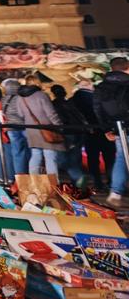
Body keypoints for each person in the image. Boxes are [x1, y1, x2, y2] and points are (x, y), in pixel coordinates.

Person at [93, 57, 129, 207]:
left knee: (121, 158)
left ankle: (115, 192)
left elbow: (97, 109)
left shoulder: (101, 87)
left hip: (117, 128)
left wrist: (107, 129)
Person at [18, 75, 65, 175]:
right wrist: (59, 125)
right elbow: (51, 113)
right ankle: (53, 184)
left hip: (31, 129)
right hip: (46, 128)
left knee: (35, 155)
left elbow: (20, 114)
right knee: (50, 156)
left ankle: (34, 181)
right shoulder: (41, 95)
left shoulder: (20, 98)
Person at [74, 79, 113, 189]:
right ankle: (111, 182)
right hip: (105, 130)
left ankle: (97, 182)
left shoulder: (75, 99)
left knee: (92, 158)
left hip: (89, 132)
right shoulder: (98, 97)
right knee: (109, 157)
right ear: (90, 85)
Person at [50, 84, 88, 187]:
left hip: (65, 133)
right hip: (78, 131)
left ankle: (78, 177)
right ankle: (77, 182)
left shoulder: (53, 105)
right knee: (75, 158)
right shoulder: (71, 103)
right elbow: (80, 116)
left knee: (62, 160)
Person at [2, 79, 29, 181]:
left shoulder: (4, 99)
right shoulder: (20, 98)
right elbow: (22, 113)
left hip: (10, 128)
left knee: (16, 152)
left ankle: (18, 177)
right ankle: (25, 174)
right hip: (23, 127)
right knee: (27, 151)